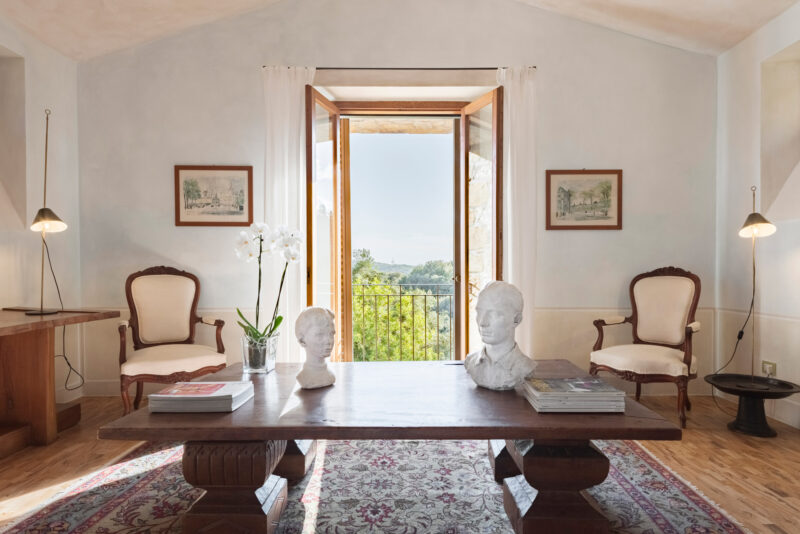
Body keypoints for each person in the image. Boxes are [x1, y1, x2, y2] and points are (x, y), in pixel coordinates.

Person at [464, 281, 536, 390]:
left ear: (516, 320)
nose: (482, 322)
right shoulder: (471, 362)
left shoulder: (525, 367)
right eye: (479, 312)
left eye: (494, 314)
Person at [295, 307, 336, 389]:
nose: (329, 341)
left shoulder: (330, 376)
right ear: (302, 340)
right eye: (320, 335)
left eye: (331, 334)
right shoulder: (305, 379)